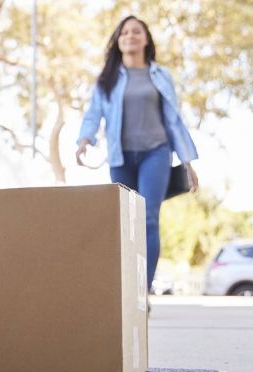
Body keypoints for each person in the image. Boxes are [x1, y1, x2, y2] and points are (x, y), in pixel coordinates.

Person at [76, 15, 199, 292]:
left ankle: (143, 291)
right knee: (124, 222)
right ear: (118, 41)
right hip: (121, 158)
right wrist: (84, 139)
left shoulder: (160, 75)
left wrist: (187, 160)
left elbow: (174, 119)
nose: (130, 36)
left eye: (136, 32)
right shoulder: (107, 79)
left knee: (149, 218)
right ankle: (125, 290)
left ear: (145, 39)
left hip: (155, 153)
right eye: (124, 33)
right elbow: (94, 114)